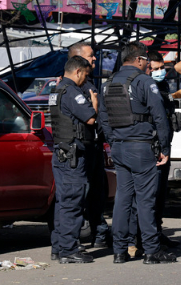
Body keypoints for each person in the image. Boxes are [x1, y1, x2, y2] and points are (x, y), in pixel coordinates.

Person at [99, 41, 176, 264]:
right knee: (145, 200)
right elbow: (159, 116)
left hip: (120, 147)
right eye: (148, 63)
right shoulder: (143, 81)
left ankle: (119, 251)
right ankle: (152, 251)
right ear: (140, 59)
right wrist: (164, 148)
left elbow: (104, 119)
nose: (151, 68)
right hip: (141, 146)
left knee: (123, 199)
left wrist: (114, 141)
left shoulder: (108, 83)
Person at [49, 56, 98, 263]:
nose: (85, 79)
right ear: (77, 71)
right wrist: (94, 103)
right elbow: (90, 118)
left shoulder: (57, 90)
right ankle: (69, 250)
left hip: (61, 152)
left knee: (63, 202)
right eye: (85, 75)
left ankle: (59, 247)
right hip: (72, 157)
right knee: (72, 202)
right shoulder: (71, 91)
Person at [67, 42, 111, 249]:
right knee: (82, 194)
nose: (95, 59)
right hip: (81, 146)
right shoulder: (75, 87)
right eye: (91, 56)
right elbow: (92, 118)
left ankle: (100, 231)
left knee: (97, 192)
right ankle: (74, 240)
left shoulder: (88, 83)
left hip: (93, 146)